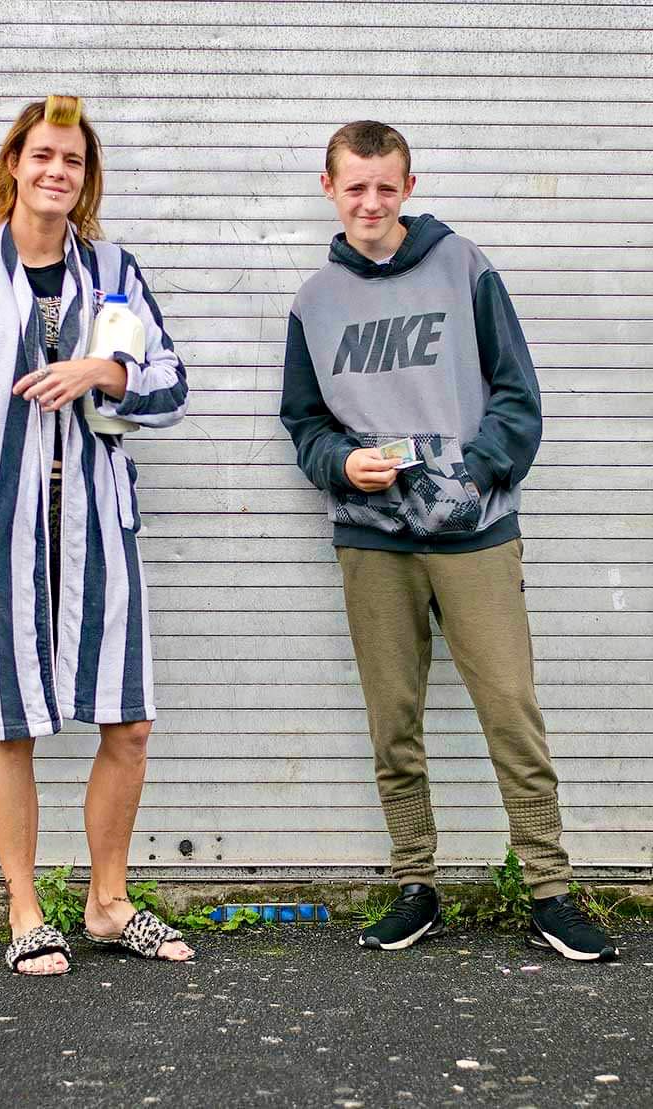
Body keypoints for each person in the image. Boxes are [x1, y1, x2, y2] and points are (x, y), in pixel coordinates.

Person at [280, 120, 618, 962]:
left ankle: (548, 888)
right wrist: (338, 463)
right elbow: (303, 421)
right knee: (394, 720)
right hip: (372, 540)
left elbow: (518, 394)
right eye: (355, 186)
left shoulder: (463, 266)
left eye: (385, 186)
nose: (371, 201)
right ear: (329, 188)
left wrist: (476, 475)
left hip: (474, 535)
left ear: (409, 187)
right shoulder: (314, 302)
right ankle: (415, 883)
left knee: (509, 708)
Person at [0, 96, 194, 974]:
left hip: (98, 522)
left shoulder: (113, 269)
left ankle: (108, 902)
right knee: (10, 724)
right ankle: (26, 909)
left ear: (85, 178)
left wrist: (110, 369)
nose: (58, 172)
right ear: (15, 165)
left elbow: (170, 384)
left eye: (74, 161)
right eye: (44, 156)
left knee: (128, 721)